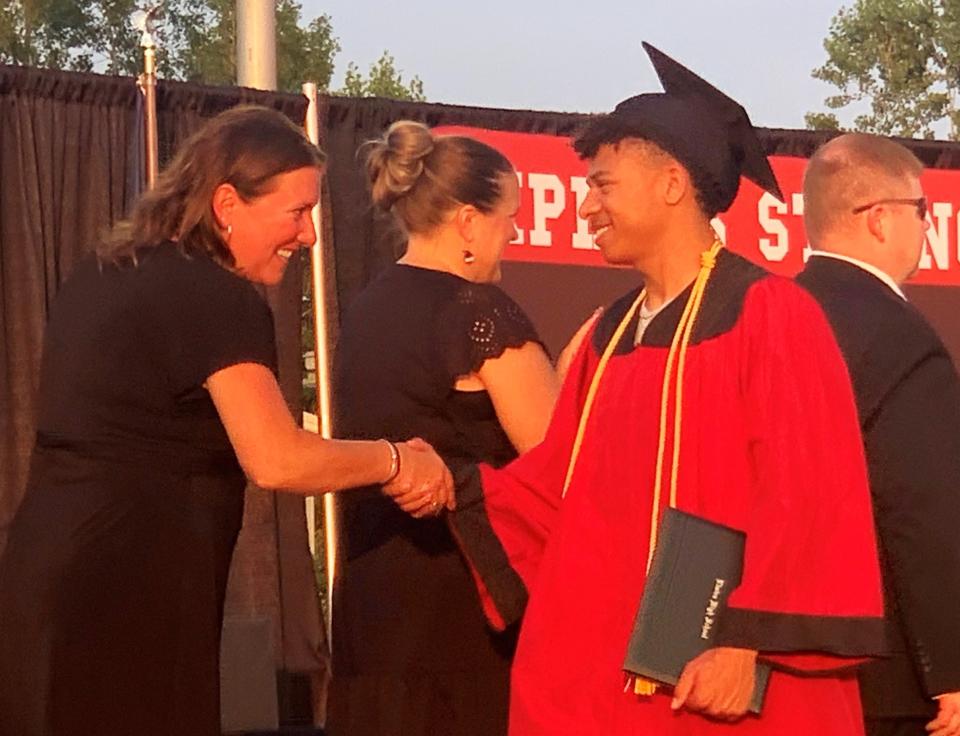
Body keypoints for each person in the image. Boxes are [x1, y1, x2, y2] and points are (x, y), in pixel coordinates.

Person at [443, 43, 887, 735]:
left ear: (672, 184)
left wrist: (746, 640)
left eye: (603, 184)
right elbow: (556, 490)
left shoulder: (769, 314)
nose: (586, 205)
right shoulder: (608, 335)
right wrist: (449, 484)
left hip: (722, 674)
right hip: (606, 673)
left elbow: (809, 493)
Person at [0, 106, 452, 736]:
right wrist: (398, 460)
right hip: (125, 597)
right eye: (296, 213)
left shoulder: (109, 269)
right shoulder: (218, 295)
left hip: (46, 580)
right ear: (227, 204)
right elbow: (277, 459)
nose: (309, 237)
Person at [327, 120, 562, 736]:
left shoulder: (369, 306)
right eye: (508, 217)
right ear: (466, 220)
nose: (512, 234)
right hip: (460, 612)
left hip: (371, 608)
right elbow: (560, 459)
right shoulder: (476, 311)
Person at [796, 133, 960, 736]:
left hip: (777, 658)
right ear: (880, 220)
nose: (926, 226)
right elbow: (924, 511)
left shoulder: (764, 315)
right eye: (922, 211)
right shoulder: (899, 337)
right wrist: (952, 667)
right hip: (888, 676)